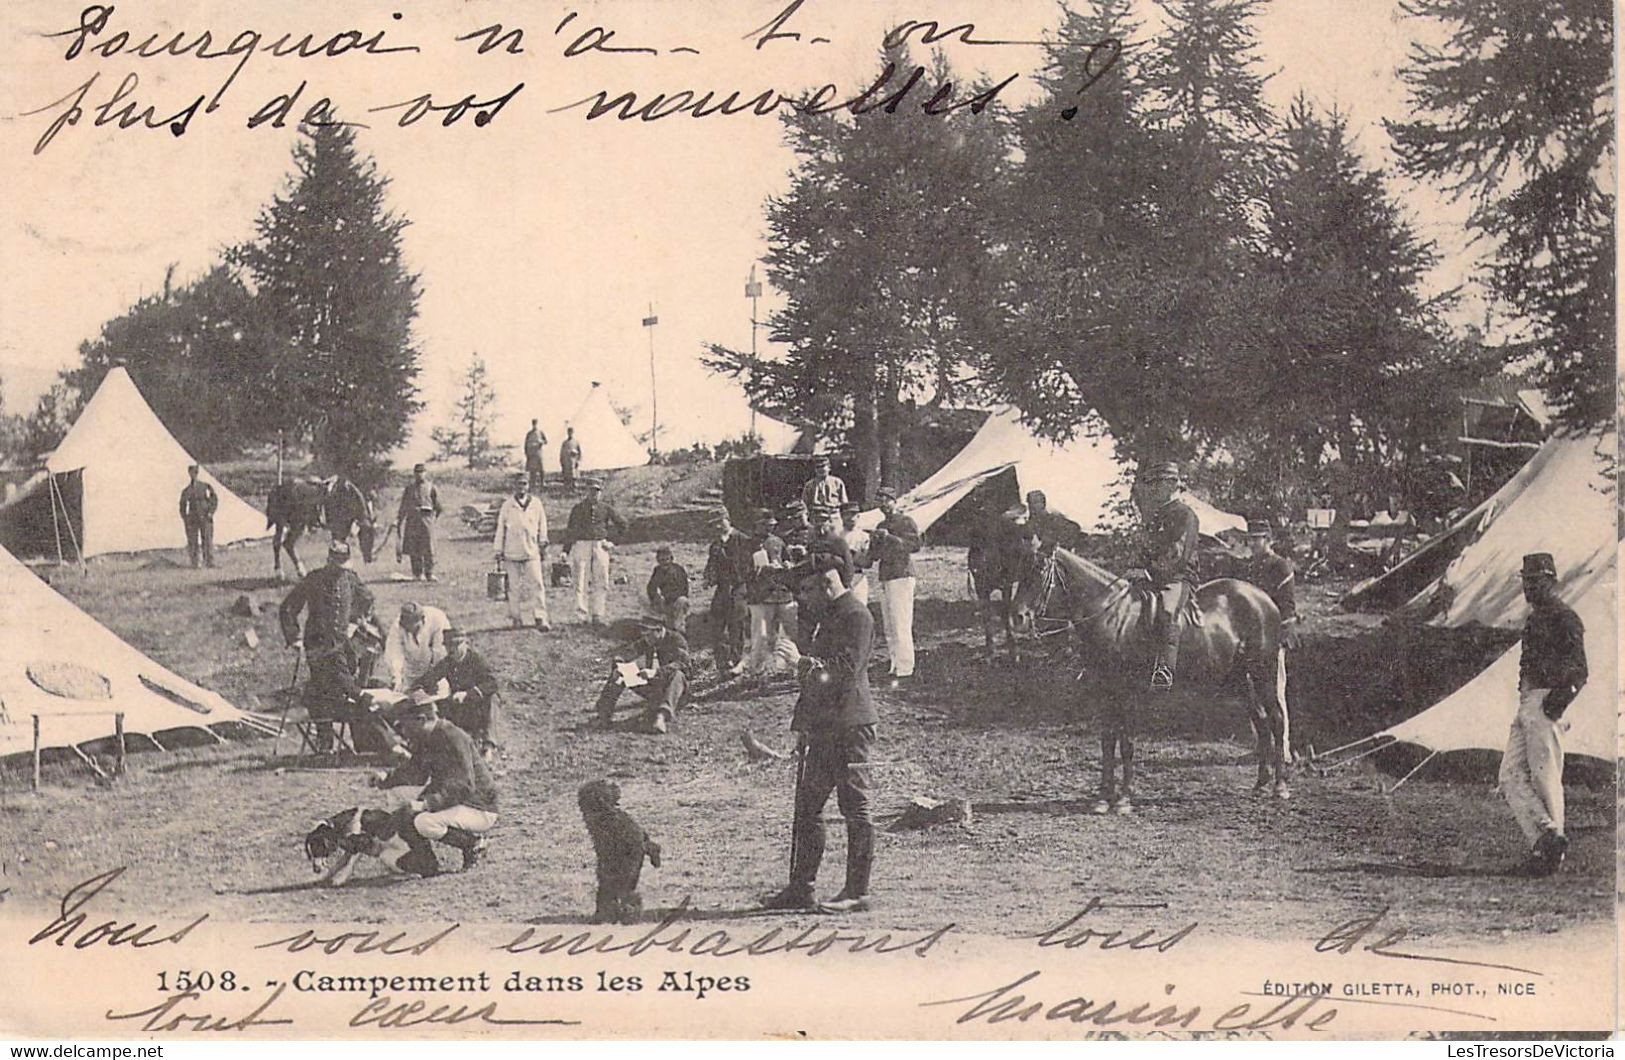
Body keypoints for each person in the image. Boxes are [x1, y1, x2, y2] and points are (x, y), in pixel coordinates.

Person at [763, 560, 877, 913]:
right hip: (825, 727)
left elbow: (842, 673)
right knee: (807, 807)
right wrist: (805, 726)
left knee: (854, 808)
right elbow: (818, 677)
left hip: (850, 726)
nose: (804, 599)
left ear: (827, 584)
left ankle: (857, 892)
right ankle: (801, 888)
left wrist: (801, 662)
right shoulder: (830, 616)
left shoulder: (857, 617)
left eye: (807, 591)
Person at [1501, 553, 1587, 877]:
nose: (1529, 587)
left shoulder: (1566, 618)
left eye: (1535, 581)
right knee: (1508, 775)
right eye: (1526, 580)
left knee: (1545, 778)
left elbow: (1580, 671)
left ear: (1552, 581)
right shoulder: (1535, 618)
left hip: (1547, 701)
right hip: (1528, 702)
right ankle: (1548, 836)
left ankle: (1550, 856)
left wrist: (1555, 705)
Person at [279, 541, 393, 753]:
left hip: (343, 645)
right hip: (317, 646)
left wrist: (357, 620)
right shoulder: (313, 579)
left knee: (345, 692)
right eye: (335, 563)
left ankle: (361, 740)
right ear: (328, 560)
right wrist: (293, 637)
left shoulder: (350, 579)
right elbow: (288, 607)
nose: (338, 568)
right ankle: (325, 742)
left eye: (342, 563)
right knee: (323, 691)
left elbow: (367, 599)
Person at [376, 698, 498, 877]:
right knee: (405, 815)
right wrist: (386, 778)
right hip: (458, 802)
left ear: (421, 719)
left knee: (423, 821)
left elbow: (464, 786)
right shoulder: (426, 737)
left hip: (478, 806)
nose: (401, 732)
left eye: (403, 725)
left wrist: (426, 804)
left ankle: (473, 844)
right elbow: (417, 773)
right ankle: (426, 864)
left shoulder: (452, 736)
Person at [1132, 463, 1200, 691]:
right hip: (1154, 576)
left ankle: (1165, 669)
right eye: (1154, 485)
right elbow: (1147, 548)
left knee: (1168, 610)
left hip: (1177, 577)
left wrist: (1150, 571)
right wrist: (1136, 567)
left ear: (1172, 485)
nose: (1156, 490)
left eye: (1160, 484)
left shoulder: (1185, 515)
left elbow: (1177, 553)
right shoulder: (1157, 515)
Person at [594, 615, 691, 735]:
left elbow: (683, 665)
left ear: (659, 630)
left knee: (678, 675)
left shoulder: (676, 640)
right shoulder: (649, 640)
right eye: (644, 634)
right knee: (620, 673)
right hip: (654, 689)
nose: (646, 638)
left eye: (649, 634)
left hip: (675, 692)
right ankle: (603, 715)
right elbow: (627, 652)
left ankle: (661, 717)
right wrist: (619, 664)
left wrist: (655, 672)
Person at [412, 626, 501, 753]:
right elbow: (427, 678)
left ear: (466, 644)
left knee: (492, 699)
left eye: (456, 645)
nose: (452, 649)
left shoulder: (476, 660)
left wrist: (468, 694)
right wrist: (419, 689)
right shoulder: (447, 662)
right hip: (460, 707)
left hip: (478, 706)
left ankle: (489, 745)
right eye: (448, 646)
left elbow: (492, 684)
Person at [870, 487, 921, 682]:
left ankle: (906, 667)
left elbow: (914, 546)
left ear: (894, 501)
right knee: (889, 623)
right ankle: (894, 664)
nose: (883, 504)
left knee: (901, 621)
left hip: (901, 574)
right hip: (886, 575)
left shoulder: (906, 521)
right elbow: (874, 556)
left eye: (886, 500)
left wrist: (889, 537)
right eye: (880, 501)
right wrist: (874, 541)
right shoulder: (881, 524)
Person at [564, 476, 626, 626]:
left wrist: (612, 542)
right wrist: (565, 550)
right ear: (586, 491)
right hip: (582, 545)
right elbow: (570, 531)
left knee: (601, 580)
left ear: (601, 492)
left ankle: (598, 614)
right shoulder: (578, 509)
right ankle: (581, 616)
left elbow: (623, 524)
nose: (594, 494)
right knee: (580, 580)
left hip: (600, 546)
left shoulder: (606, 508)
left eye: (597, 491)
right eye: (591, 490)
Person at [744, 508, 799, 678]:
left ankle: (790, 667)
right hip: (761, 595)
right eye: (764, 525)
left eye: (771, 525)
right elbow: (742, 571)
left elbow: (786, 560)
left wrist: (788, 565)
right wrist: (761, 571)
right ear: (756, 525)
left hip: (782, 594)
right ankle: (757, 671)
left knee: (790, 632)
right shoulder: (747, 544)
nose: (769, 529)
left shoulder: (778, 541)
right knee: (760, 636)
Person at [493, 471, 551, 631]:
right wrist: (498, 549)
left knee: (537, 584)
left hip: (532, 551)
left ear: (528, 485)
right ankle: (516, 618)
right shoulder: (507, 505)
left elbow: (542, 525)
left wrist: (543, 542)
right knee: (513, 587)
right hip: (512, 552)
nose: (521, 487)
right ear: (514, 486)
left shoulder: (536, 503)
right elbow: (500, 529)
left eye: (524, 484)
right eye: (519, 484)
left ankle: (540, 617)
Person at [795, 504, 853, 650]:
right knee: (806, 627)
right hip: (813, 592)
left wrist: (843, 588)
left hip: (831, 592)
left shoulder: (838, 542)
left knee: (832, 627)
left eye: (824, 520)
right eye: (816, 520)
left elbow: (848, 567)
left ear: (829, 522)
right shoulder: (810, 542)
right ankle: (806, 660)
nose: (820, 524)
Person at [703, 509, 750, 676]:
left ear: (728, 520)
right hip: (722, 589)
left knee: (736, 626)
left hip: (738, 588)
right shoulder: (715, 544)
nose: (717, 526)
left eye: (720, 521)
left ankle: (736, 661)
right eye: (714, 524)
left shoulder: (742, 540)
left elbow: (748, 566)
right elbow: (711, 565)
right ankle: (722, 662)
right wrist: (708, 577)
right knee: (716, 625)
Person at [1242, 519, 1300, 649]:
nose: (1251, 544)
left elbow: (1287, 605)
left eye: (1256, 539)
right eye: (1249, 540)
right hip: (1252, 629)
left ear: (1268, 539)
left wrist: (1283, 634)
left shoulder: (1280, 565)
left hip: (1273, 629)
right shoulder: (1249, 566)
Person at [382, 601, 450, 692]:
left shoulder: (437, 618)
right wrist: (396, 677)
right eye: (407, 629)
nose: (411, 631)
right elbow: (394, 652)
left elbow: (440, 652)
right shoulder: (397, 626)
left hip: (435, 672)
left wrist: (432, 679)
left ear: (422, 619)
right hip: (411, 671)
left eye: (415, 628)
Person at [395, 464, 443, 581]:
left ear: (425, 473)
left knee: (428, 548)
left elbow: (439, 507)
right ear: (414, 474)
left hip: (426, 520)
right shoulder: (409, 488)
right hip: (412, 521)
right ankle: (417, 573)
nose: (419, 474)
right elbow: (403, 507)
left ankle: (429, 573)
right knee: (414, 548)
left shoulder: (431, 487)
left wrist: (433, 519)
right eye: (417, 472)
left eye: (421, 472)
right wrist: (399, 520)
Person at [178, 464, 218, 569]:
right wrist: (185, 518)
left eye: (195, 473)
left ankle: (209, 561)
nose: (193, 475)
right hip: (193, 518)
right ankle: (195, 562)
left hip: (205, 516)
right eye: (191, 473)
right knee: (193, 541)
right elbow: (182, 505)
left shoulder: (205, 487)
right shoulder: (186, 490)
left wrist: (211, 512)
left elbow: (214, 499)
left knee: (207, 540)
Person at [646, 546, 690, 631]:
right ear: (658, 560)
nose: (664, 563)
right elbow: (651, 587)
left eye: (667, 559)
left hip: (677, 602)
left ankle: (680, 626)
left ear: (671, 559)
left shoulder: (678, 570)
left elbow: (683, 590)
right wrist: (656, 596)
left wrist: (667, 597)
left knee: (682, 601)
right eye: (661, 560)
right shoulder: (657, 571)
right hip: (665, 603)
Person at [1025, 490, 1080, 556]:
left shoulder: (1054, 520)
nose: (1031, 508)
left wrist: (1046, 544)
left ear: (1043, 504)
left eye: (1034, 503)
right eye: (1030, 504)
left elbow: (1075, 528)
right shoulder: (1030, 524)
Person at [839, 502, 872, 605]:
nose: (851, 518)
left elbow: (867, 562)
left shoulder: (864, 536)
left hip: (858, 577)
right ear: (841, 516)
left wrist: (850, 555)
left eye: (854, 514)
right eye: (847, 514)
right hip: (841, 578)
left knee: (860, 608)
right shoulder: (837, 536)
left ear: (858, 516)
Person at [523, 419, 548, 492]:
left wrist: (541, 442)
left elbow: (546, 441)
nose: (535, 426)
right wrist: (527, 454)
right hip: (532, 455)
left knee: (541, 470)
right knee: (532, 471)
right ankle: (532, 486)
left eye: (536, 424)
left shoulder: (540, 432)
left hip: (539, 453)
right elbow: (525, 445)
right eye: (533, 424)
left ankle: (542, 484)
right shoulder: (529, 434)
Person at [559, 427, 582, 493]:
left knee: (574, 476)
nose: (570, 434)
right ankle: (566, 490)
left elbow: (579, 452)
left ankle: (574, 490)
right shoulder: (564, 443)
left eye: (571, 432)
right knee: (566, 476)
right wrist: (562, 461)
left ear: (573, 433)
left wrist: (578, 461)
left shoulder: (576, 442)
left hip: (573, 462)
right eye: (569, 432)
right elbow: (561, 453)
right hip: (566, 462)